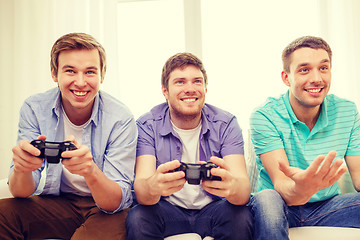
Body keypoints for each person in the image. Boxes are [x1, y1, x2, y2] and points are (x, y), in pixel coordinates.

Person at [0, 33, 137, 240]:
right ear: (55, 73)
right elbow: (21, 192)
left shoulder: (120, 117)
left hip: (106, 210)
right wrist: (23, 168)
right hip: (60, 203)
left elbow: (114, 202)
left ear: (102, 75)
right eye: (70, 71)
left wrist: (90, 171)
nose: (80, 82)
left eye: (90, 72)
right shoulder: (34, 108)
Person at [126, 52, 253, 240]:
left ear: (205, 88)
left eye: (197, 81)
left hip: (213, 209)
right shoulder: (147, 125)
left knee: (241, 216)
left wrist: (232, 187)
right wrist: (154, 186)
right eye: (180, 82)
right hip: (167, 210)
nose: (190, 89)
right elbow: (143, 191)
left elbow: (243, 190)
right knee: (138, 217)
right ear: (165, 91)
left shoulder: (226, 123)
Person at [249, 36, 360, 240]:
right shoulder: (265, 115)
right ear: (286, 77)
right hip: (281, 205)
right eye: (304, 70)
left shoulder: (348, 111)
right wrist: (303, 188)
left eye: (323, 68)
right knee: (267, 199)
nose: (317, 78)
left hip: (328, 207)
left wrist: (312, 188)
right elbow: (282, 185)